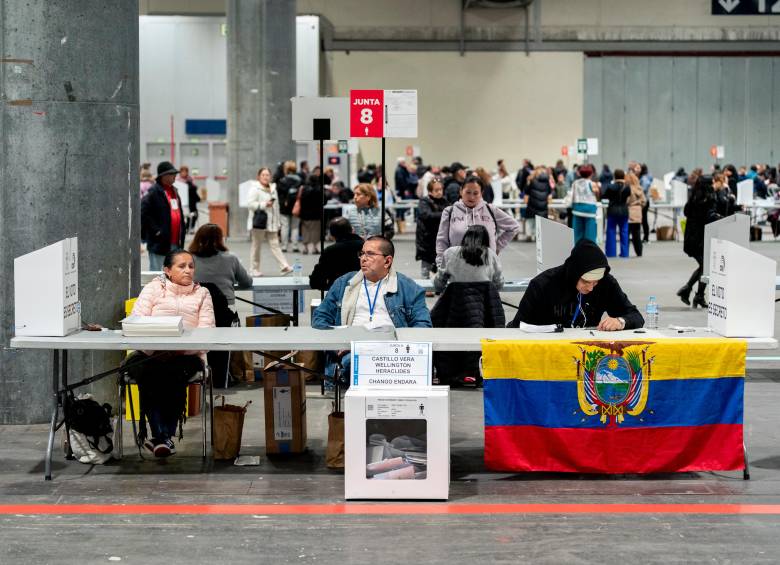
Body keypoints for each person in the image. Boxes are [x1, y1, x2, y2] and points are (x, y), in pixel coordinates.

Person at [126, 250, 215, 457]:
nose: (188, 270)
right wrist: (156, 349)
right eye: (181, 266)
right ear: (167, 270)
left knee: (174, 373)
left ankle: (161, 437)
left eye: (191, 266)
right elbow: (136, 322)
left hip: (187, 356)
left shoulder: (203, 293)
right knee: (148, 373)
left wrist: (180, 349)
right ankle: (162, 436)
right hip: (152, 354)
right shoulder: (152, 289)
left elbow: (206, 332)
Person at [508, 239, 644, 331]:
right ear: (574, 274)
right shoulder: (543, 285)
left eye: (595, 282)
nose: (591, 288)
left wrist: (620, 321)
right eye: (585, 282)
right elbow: (518, 327)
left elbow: (636, 316)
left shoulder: (606, 283)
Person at [312, 236, 431, 330]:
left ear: (387, 261)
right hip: (351, 349)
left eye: (370, 254)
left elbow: (423, 326)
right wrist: (339, 345)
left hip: (391, 353)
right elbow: (320, 318)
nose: (363, 258)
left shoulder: (409, 289)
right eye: (362, 253)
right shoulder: (343, 284)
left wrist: (400, 347)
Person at [189, 224, 252, 387]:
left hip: (196, 309)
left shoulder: (188, 260)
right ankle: (222, 379)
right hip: (225, 310)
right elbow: (246, 282)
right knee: (223, 345)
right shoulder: (231, 258)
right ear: (220, 239)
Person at [435, 176, 520, 267]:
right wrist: (441, 264)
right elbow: (442, 240)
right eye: (468, 192)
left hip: (486, 266)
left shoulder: (491, 210)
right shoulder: (449, 211)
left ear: (481, 193)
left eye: (476, 193)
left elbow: (514, 227)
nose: (471, 196)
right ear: (461, 191)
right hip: (456, 267)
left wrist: (497, 247)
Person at [677, 176, 719, 309]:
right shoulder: (709, 199)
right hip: (701, 240)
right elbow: (709, 217)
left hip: (691, 239)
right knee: (706, 267)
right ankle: (694, 293)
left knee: (704, 267)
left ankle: (692, 292)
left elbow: (686, 212)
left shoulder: (693, 198)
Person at [141, 161, 185, 271]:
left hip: (175, 241)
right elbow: (143, 213)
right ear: (163, 176)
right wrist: (156, 231)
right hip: (159, 243)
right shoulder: (153, 192)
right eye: (172, 174)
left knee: (173, 274)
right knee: (157, 275)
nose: (175, 176)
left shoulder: (174, 191)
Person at [247, 167, 292, 276]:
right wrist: (264, 205)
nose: (265, 177)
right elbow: (250, 204)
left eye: (267, 175)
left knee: (275, 245)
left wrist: (278, 223)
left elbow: (276, 207)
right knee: (256, 246)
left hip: (272, 223)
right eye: (263, 175)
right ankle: (253, 269)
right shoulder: (255, 189)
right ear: (258, 176)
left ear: (270, 177)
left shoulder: (273, 188)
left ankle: (284, 266)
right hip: (259, 223)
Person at [434, 225, 504, 294]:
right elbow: (499, 284)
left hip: (456, 301)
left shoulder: (450, 252)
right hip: (483, 302)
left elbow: (439, 284)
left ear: (466, 237)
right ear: (486, 239)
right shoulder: (490, 254)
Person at [309, 217, 363, 292]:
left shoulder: (330, 251)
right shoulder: (365, 246)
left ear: (331, 235)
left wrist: (329, 287)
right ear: (352, 230)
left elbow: (315, 282)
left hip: (338, 295)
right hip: (364, 293)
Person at [415, 178, 448, 279]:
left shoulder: (444, 201)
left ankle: (439, 285)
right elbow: (427, 215)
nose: (439, 192)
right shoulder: (424, 202)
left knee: (441, 264)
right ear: (430, 191)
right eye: (436, 190)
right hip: (426, 240)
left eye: (440, 189)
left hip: (439, 238)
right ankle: (425, 287)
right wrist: (445, 214)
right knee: (426, 265)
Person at [568, 163, 600, 244]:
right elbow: (597, 195)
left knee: (578, 236)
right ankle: (590, 254)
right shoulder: (593, 184)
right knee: (590, 236)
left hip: (577, 210)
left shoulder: (575, 183)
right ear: (591, 174)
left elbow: (571, 195)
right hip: (589, 211)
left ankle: (578, 254)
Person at [276, 160, 303, 253]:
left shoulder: (282, 180)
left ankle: (284, 246)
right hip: (296, 205)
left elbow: (278, 194)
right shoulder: (299, 180)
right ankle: (295, 246)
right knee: (295, 226)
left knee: (285, 226)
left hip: (284, 206)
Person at [603, 169, 630, 258]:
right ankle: (625, 253)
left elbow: (604, 196)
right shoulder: (627, 187)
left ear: (614, 176)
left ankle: (611, 253)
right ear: (623, 176)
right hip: (624, 211)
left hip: (612, 211)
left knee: (611, 231)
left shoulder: (610, 187)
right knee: (624, 232)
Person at [523, 167, 553, 241]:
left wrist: (528, 182)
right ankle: (538, 236)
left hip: (532, 204)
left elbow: (526, 191)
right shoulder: (547, 182)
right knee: (539, 222)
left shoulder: (532, 180)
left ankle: (529, 235)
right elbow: (549, 192)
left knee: (530, 220)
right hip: (543, 205)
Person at [299, 171, 324, 254]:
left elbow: (301, 200)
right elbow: (324, 200)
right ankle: (314, 248)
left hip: (305, 214)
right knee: (316, 231)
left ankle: (305, 248)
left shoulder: (304, 189)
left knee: (305, 230)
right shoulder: (320, 189)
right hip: (316, 214)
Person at [626, 172, 647, 257]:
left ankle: (625, 252)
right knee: (637, 234)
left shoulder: (628, 189)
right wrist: (638, 204)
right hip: (638, 212)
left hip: (629, 211)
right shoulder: (639, 188)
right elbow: (644, 201)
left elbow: (626, 201)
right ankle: (639, 252)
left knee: (626, 233)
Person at [176, 165, 201, 234]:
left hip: (190, 201)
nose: (184, 173)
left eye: (186, 171)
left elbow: (194, 189)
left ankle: (191, 227)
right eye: (183, 172)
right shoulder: (177, 180)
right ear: (180, 172)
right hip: (181, 201)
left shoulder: (190, 179)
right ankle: (185, 227)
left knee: (194, 214)